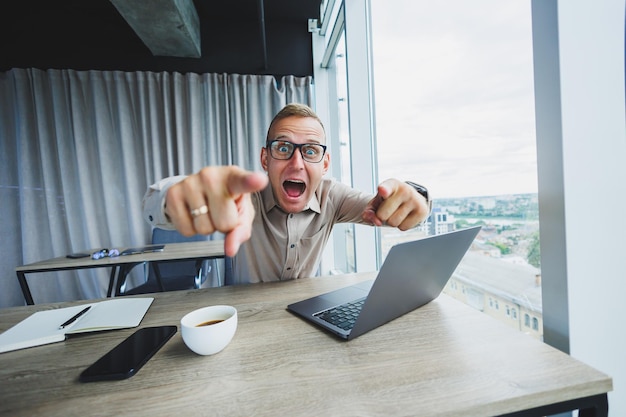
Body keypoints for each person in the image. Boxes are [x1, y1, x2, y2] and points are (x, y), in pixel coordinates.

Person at [142, 103, 432, 284]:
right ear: (265, 159)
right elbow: (154, 207)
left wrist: (416, 199)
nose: (297, 163)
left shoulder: (334, 197)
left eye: (310, 151)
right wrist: (175, 198)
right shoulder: (244, 197)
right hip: (246, 318)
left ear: (325, 163)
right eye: (283, 148)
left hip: (307, 317)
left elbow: (386, 207)